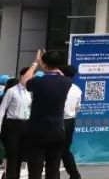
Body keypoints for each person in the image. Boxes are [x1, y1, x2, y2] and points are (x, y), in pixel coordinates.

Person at [23, 50, 73, 179]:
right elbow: (59, 74)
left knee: (35, 168)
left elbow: (24, 80)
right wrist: (48, 62)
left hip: (37, 130)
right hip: (57, 130)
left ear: (44, 64)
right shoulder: (66, 82)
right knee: (53, 168)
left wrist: (36, 63)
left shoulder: (38, 82)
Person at [0, 70, 31, 179]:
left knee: (21, 155)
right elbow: (2, 109)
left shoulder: (28, 92)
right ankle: (10, 176)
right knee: (12, 154)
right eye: (29, 76)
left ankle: (15, 176)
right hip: (12, 124)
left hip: (25, 124)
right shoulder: (11, 91)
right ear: (22, 76)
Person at [60, 66, 82, 179]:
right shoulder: (77, 89)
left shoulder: (58, 86)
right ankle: (75, 175)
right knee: (65, 150)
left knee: (53, 150)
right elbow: (78, 107)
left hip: (57, 120)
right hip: (69, 121)